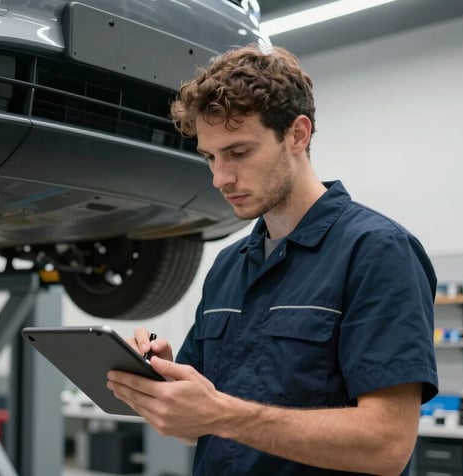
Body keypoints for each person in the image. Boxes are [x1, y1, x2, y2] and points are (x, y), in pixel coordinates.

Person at [106, 44, 438, 475]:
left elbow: (387, 445)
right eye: (210, 157)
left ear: (297, 135)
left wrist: (222, 414)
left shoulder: (377, 251)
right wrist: (167, 385)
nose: (220, 178)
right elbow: (196, 428)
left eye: (239, 153)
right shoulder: (229, 265)